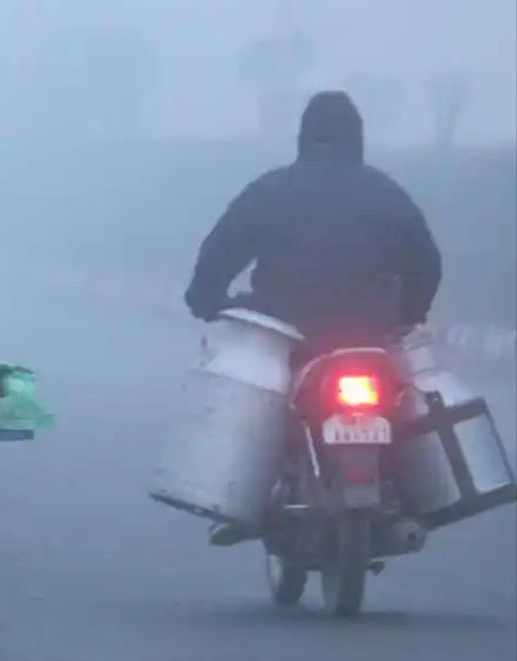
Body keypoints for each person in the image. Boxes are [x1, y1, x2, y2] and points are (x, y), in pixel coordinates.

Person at [183, 91, 442, 546]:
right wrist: (407, 315)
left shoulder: (272, 189)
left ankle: (247, 501)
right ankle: (405, 500)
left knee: (264, 402)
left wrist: (205, 298)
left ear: (303, 137)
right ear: (358, 139)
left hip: (291, 331)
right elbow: (427, 264)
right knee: (400, 401)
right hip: (369, 332)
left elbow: (222, 248)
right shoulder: (387, 193)